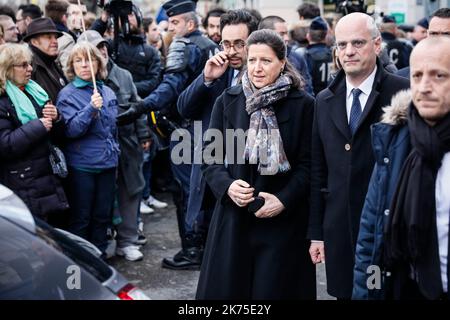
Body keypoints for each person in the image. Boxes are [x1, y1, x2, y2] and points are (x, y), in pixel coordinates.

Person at [196, 29, 316, 299]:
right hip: (234, 219)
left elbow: (311, 166)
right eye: (252, 60)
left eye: (266, 61)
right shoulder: (228, 100)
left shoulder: (304, 105)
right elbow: (209, 156)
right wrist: (227, 186)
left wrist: (283, 199)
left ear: (282, 62)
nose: (257, 68)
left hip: (283, 223)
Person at [307, 12, 410, 300]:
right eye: (342, 45)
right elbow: (318, 171)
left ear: (377, 45)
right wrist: (317, 232)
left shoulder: (402, 93)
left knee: (381, 293)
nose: (349, 51)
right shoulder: (324, 101)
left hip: (386, 230)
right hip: (339, 232)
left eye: (358, 43)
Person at [116, 0, 218, 270]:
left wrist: (139, 106)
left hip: (187, 131)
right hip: (210, 130)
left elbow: (169, 87)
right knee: (204, 189)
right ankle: (206, 249)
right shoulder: (210, 46)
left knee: (187, 192)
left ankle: (193, 251)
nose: (170, 27)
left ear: (190, 24)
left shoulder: (184, 45)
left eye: (175, 23)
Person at [353, 36, 450, 300]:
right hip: (403, 288)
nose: (425, 87)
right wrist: (368, 294)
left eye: (439, 76)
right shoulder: (394, 141)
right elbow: (370, 240)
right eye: (417, 76)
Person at [171, 9, 257, 270]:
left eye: (239, 44)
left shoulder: (264, 73)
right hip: (213, 171)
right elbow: (183, 108)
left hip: (248, 174)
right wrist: (206, 78)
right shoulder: (218, 72)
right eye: (226, 43)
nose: (231, 51)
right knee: (216, 253)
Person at [57, 42, 119, 257]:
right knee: (82, 217)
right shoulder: (67, 94)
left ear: (98, 63)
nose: (84, 65)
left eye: (89, 59)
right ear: (71, 66)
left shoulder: (108, 91)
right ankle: (81, 263)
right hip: (83, 166)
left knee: (103, 215)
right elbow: (71, 130)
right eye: (78, 60)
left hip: (108, 163)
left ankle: (100, 258)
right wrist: (90, 109)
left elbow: (112, 128)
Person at [0, 43, 69, 222]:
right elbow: (5, 145)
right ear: (7, 69)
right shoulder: (2, 100)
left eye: (29, 63)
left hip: (45, 176)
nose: (30, 69)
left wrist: (57, 117)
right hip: (23, 180)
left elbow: (58, 133)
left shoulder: (34, 91)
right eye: (23, 65)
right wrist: (38, 126)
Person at [91, 4, 161, 99]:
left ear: (138, 17)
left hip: (141, 104)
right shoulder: (109, 46)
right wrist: (103, 19)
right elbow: (89, 42)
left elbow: (154, 82)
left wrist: (128, 87)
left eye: (131, 15)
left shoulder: (151, 52)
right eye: (122, 16)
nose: (127, 19)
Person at [258, 15, 313, 95]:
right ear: (266, 34)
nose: (287, 38)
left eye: (287, 33)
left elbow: (308, 90)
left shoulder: (297, 58)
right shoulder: (252, 59)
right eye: (282, 34)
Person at [396, 8, 450, 80]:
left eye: (446, 34)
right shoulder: (401, 77)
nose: (438, 39)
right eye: (433, 33)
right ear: (427, 34)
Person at [23, 17, 67, 104]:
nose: (55, 41)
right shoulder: (29, 67)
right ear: (34, 42)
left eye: (55, 37)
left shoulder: (53, 63)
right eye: (49, 37)